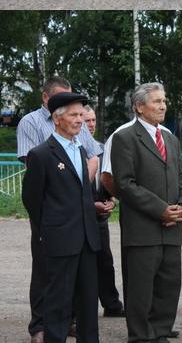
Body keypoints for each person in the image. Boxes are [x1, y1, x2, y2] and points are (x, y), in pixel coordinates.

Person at [16, 77, 101, 343]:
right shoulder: (41, 154)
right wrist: (50, 231)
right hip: (59, 240)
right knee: (57, 303)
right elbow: (32, 199)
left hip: (87, 239)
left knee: (88, 305)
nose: (80, 120)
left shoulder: (82, 150)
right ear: (57, 118)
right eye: (74, 115)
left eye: (82, 114)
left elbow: (81, 190)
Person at [111, 83, 182, 343]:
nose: (163, 105)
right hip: (142, 230)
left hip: (172, 228)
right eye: (156, 101)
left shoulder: (169, 137)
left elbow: (181, 177)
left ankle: (160, 334)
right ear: (139, 107)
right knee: (141, 290)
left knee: (168, 287)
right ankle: (141, 337)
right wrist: (161, 210)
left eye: (164, 100)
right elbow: (124, 184)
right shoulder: (124, 137)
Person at [83, 106, 125, 318]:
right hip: (80, 216)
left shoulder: (101, 148)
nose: (90, 125)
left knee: (105, 261)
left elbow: (108, 179)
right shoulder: (72, 148)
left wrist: (112, 200)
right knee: (82, 265)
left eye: (92, 121)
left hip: (100, 216)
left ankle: (112, 305)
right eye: (86, 121)